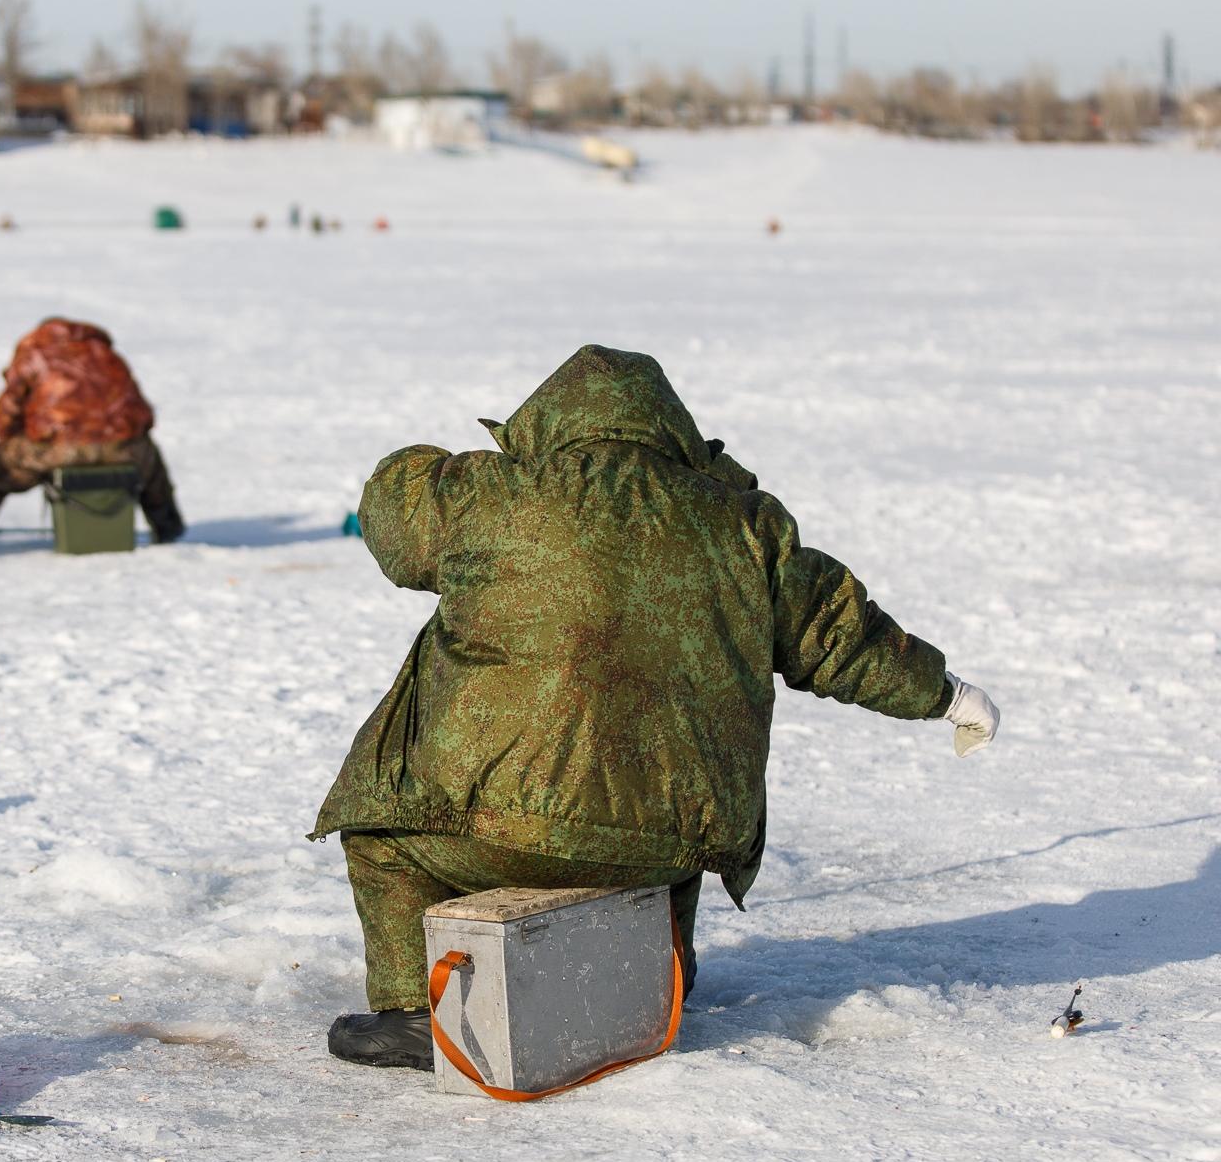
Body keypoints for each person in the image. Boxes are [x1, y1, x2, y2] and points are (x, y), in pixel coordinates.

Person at [313, 345, 1000, 1070]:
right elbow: (840, 636)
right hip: (667, 845)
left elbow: (392, 508)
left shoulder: (492, 496)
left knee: (383, 838)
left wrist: (450, 461)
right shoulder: (746, 526)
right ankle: (659, 980)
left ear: (549, 418)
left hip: (493, 824)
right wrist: (947, 694)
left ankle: (413, 1013)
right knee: (668, 839)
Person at [0, 317, 184, 547]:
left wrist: (13, 439)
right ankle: (167, 527)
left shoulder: (35, 354)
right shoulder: (107, 355)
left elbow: (9, 409)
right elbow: (142, 412)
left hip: (56, 449)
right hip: (121, 447)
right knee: (151, 463)